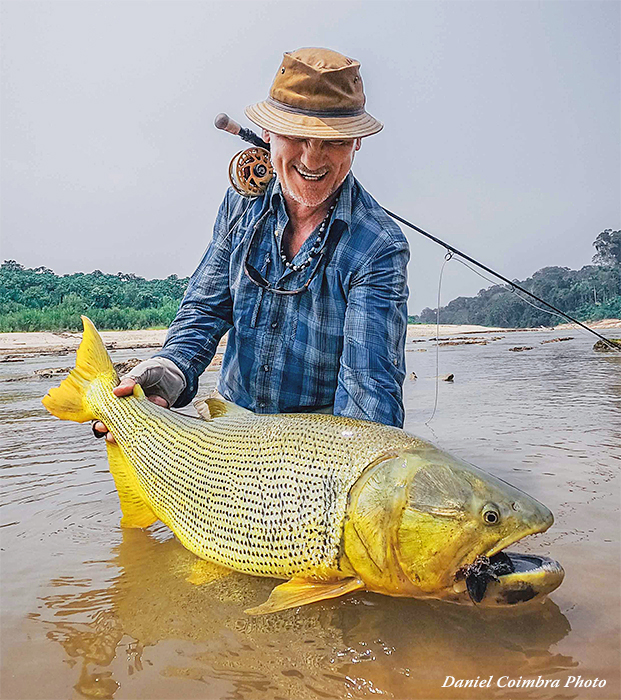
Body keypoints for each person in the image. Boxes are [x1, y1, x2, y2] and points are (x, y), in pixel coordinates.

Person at [93, 47, 409, 443]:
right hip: (230, 431)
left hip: (318, 448)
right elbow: (207, 307)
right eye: (296, 136)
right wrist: (170, 371)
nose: (313, 158)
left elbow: (369, 389)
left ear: (356, 142)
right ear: (267, 134)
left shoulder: (379, 246)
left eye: (333, 141)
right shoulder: (240, 204)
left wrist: (360, 468)